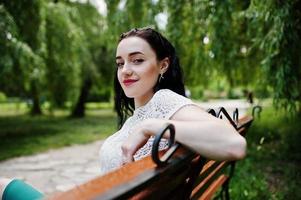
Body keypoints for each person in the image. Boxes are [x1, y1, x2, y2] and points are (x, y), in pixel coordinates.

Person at [0, 27, 246, 199]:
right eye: (120, 63)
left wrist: (150, 126)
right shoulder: (138, 116)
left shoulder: (163, 102)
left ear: (163, 65)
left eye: (137, 60)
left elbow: (234, 144)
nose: (125, 70)